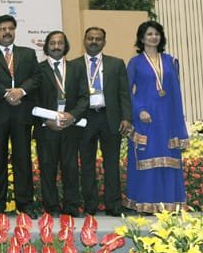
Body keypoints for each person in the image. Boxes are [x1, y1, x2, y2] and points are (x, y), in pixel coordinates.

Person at [0, 14, 41, 219]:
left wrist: (21, 91)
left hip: (22, 113)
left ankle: (25, 204)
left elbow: (37, 77)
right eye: (2, 29)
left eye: (10, 28)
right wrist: (5, 93)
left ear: (14, 30)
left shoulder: (28, 54)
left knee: (23, 160)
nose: (7, 32)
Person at [124, 21, 188, 213]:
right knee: (147, 158)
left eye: (157, 34)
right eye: (149, 34)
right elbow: (127, 92)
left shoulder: (170, 61)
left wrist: (179, 123)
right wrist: (139, 110)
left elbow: (176, 93)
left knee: (168, 158)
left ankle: (169, 204)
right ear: (141, 38)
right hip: (146, 119)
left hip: (168, 119)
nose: (153, 37)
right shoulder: (135, 62)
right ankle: (144, 203)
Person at [70, 27, 133, 216]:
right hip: (85, 118)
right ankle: (90, 205)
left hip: (110, 118)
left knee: (112, 163)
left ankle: (113, 205)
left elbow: (124, 93)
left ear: (104, 42)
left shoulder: (116, 64)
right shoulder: (74, 65)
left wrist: (127, 118)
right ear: (84, 40)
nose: (94, 42)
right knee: (87, 163)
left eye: (98, 39)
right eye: (90, 38)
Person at [33, 31, 88, 218]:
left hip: (70, 126)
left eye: (60, 43)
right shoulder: (37, 69)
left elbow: (84, 97)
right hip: (46, 128)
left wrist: (72, 116)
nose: (56, 46)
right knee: (47, 168)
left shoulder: (77, 69)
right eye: (53, 43)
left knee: (70, 167)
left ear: (66, 46)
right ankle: (51, 207)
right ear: (47, 46)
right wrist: (46, 120)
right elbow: (31, 99)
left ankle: (71, 206)